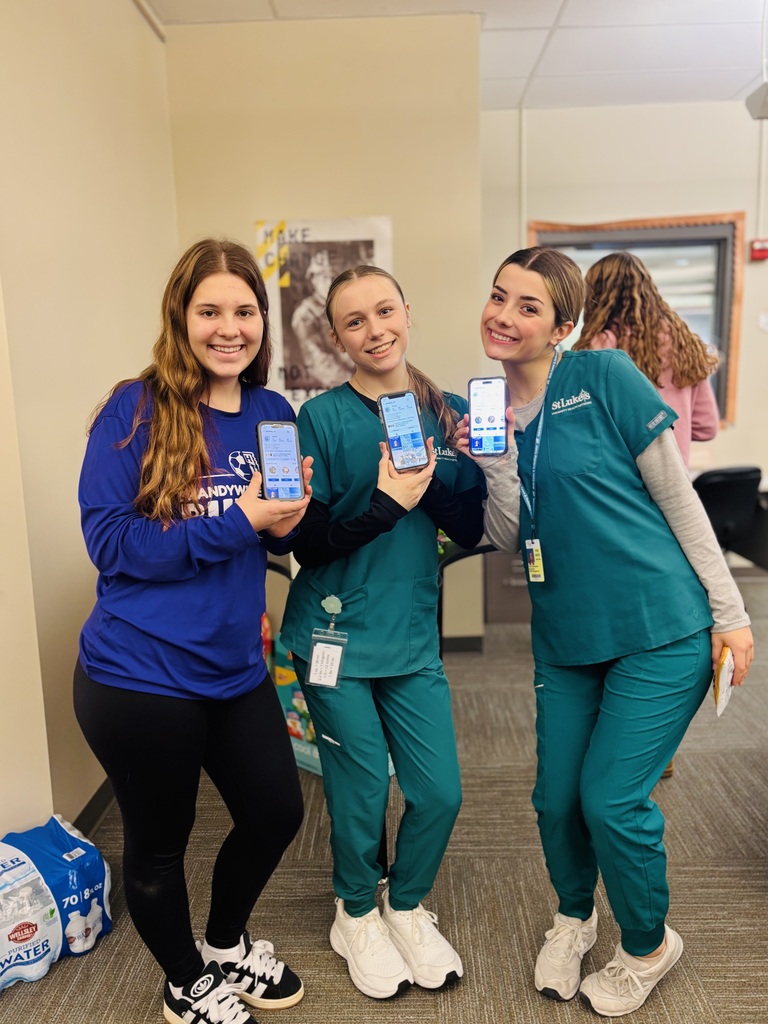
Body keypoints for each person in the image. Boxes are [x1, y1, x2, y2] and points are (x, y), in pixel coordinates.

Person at [456, 247, 753, 1017]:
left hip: (659, 625)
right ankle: (573, 916)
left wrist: (734, 615)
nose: (505, 315)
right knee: (555, 801)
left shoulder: (602, 376)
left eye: (529, 306)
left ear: (563, 324)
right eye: (498, 297)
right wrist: (492, 464)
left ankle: (650, 944)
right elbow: (506, 532)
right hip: (566, 635)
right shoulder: (486, 401)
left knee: (611, 801)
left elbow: (679, 497)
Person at [74, 238, 313, 1024]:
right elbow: (110, 543)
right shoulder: (132, 409)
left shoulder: (274, 411)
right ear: (180, 316)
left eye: (244, 311)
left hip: (234, 666)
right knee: (160, 843)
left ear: (261, 322)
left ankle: (223, 944)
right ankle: (184, 981)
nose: (228, 328)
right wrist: (238, 520)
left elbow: (273, 539)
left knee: (277, 811)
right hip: (138, 676)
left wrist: (284, 520)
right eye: (209, 310)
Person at [279, 265, 485, 1000]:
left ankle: (405, 904)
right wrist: (392, 501)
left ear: (407, 311)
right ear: (335, 339)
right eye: (355, 322)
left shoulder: (447, 410)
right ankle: (356, 911)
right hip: (333, 638)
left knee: (439, 795)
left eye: (385, 311)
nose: (375, 330)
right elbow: (311, 544)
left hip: (409, 639)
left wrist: (461, 470)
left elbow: (470, 530)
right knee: (361, 789)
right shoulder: (320, 420)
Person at [574, 249, 720, 469]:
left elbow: (582, 427)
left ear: (597, 297)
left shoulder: (601, 346)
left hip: (623, 486)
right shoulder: (683, 342)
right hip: (674, 484)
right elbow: (706, 426)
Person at [290, 248, 355, 389]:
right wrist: (356, 386)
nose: (329, 282)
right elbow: (318, 362)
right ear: (313, 279)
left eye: (334, 277)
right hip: (330, 389)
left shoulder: (346, 308)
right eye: (324, 277)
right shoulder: (305, 314)